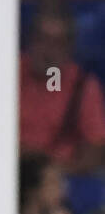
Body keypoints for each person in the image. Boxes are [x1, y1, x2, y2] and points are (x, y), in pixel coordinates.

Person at [19, 10, 105, 176]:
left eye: (57, 43)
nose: (48, 50)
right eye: (42, 39)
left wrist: (54, 174)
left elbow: (97, 146)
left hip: (57, 178)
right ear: (30, 40)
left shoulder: (83, 86)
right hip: (5, 170)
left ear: (69, 48)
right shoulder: (8, 74)